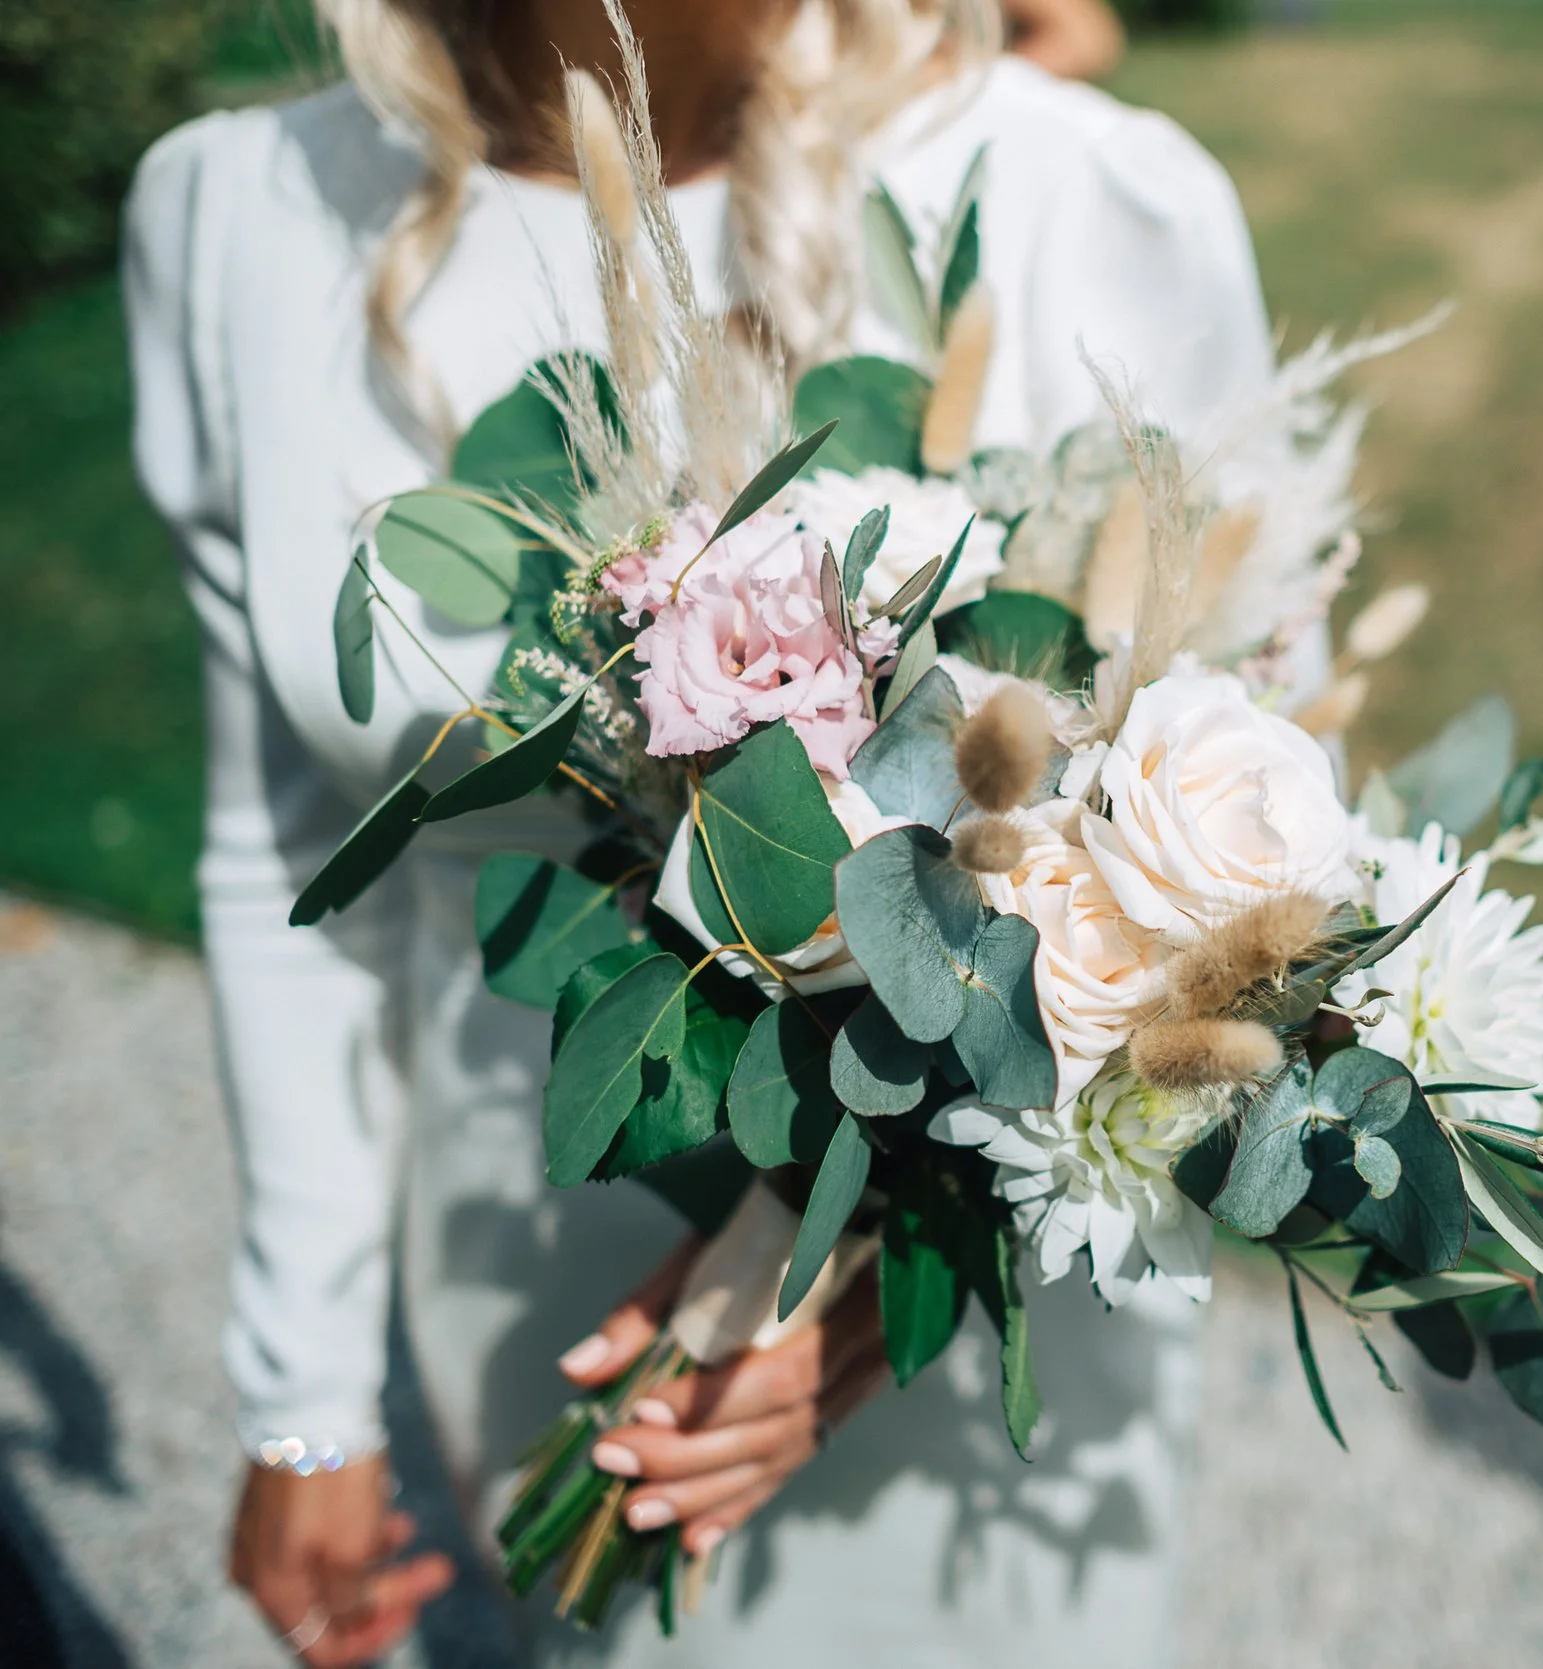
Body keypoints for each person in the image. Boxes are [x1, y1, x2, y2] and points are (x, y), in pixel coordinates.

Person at [123, 1, 1271, 1662]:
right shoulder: (235, 215)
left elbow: (1243, 862)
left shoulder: (1082, 194)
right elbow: (285, 862)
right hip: (534, 1227)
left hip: (993, 1320)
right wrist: (301, 1400)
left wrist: (909, 1263)